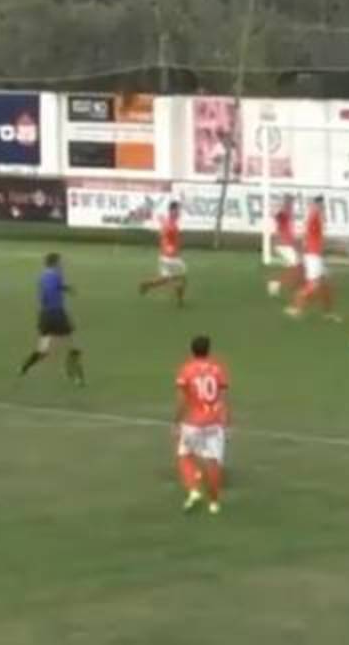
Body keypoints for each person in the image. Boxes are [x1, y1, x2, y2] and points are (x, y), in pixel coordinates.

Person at [174, 335, 230, 515]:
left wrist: (176, 420)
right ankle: (214, 503)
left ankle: (194, 490)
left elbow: (182, 399)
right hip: (214, 422)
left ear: (192, 350)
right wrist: (226, 418)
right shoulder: (217, 369)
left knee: (184, 455)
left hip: (193, 422)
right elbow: (223, 396)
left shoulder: (187, 370)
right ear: (208, 350)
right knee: (214, 462)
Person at [19, 253, 85, 385]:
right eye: (60, 261)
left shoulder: (43, 276)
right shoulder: (56, 274)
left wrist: (66, 289)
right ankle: (75, 377)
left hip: (44, 315)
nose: (62, 263)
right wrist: (60, 295)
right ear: (55, 263)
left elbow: (49, 290)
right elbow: (52, 288)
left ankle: (24, 368)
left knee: (43, 349)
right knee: (73, 346)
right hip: (57, 314)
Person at [285, 195, 340, 321]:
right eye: (320, 204)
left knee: (327, 285)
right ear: (316, 205)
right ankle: (296, 308)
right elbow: (310, 233)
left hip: (316, 254)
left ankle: (328, 313)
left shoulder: (314, 216)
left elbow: (311, 234)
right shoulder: (314, 216)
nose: (323, 207)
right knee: (313, 285)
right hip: (313, 256)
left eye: (322, 205)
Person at [139, 201, 187, 307]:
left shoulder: (170, 221)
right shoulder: (170, 225)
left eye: (179, 209)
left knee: (165, 279)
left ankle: (146, 284)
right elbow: (165, 235)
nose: (179, 212)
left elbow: (162, 235)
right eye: (177, 210)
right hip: (171, 256)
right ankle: (180, 300)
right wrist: (170, 247)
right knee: (182, 278)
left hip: (164, 256)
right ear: (171, 211)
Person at [266, 194, 301, 297]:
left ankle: (280, 283)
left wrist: (294, 243)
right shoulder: (284, 213)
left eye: (292, 202)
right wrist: (275, 212)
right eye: (291, 201)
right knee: (296, 266)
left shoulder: (288, 213)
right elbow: (277, 216)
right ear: (287, 202)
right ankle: (276, 283)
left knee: (294, 266)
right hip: (283, 245)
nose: (292, 204)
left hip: (286, 244)